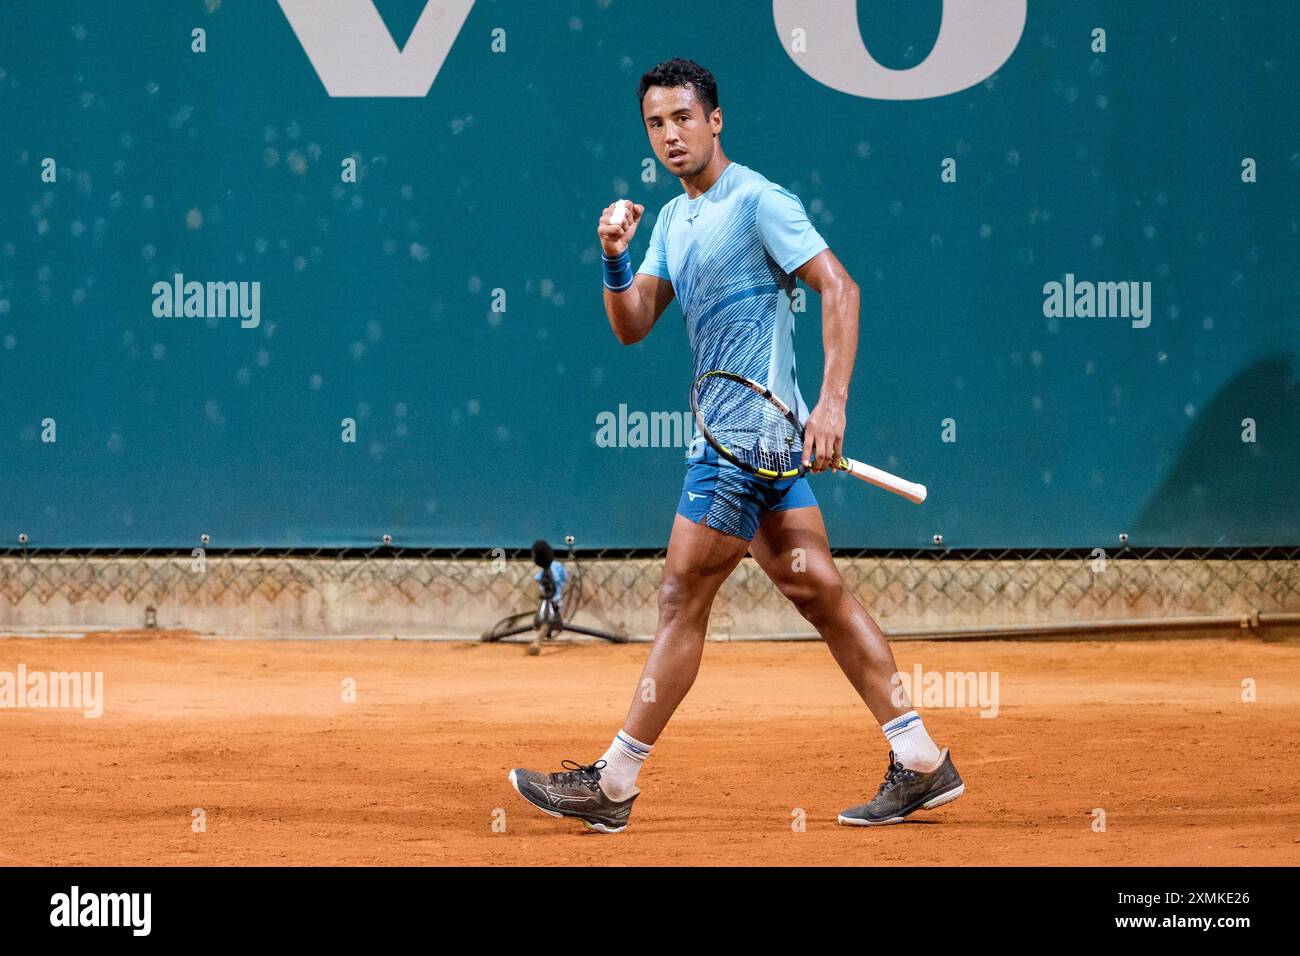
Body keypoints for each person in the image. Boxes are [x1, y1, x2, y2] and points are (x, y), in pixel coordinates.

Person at [509, 58, 963, 833]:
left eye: (683, 118)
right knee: (818, 589)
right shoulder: (673, 219)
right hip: (752, 439)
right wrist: (616, 256)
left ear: (714, 120)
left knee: (681, 597)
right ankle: (921, 758)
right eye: (656, 123)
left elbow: (840, 288)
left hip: (745, 442)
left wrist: (832, 403)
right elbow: (633, 324)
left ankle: (614, 783)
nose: (670, 135)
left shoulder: (757, 200)